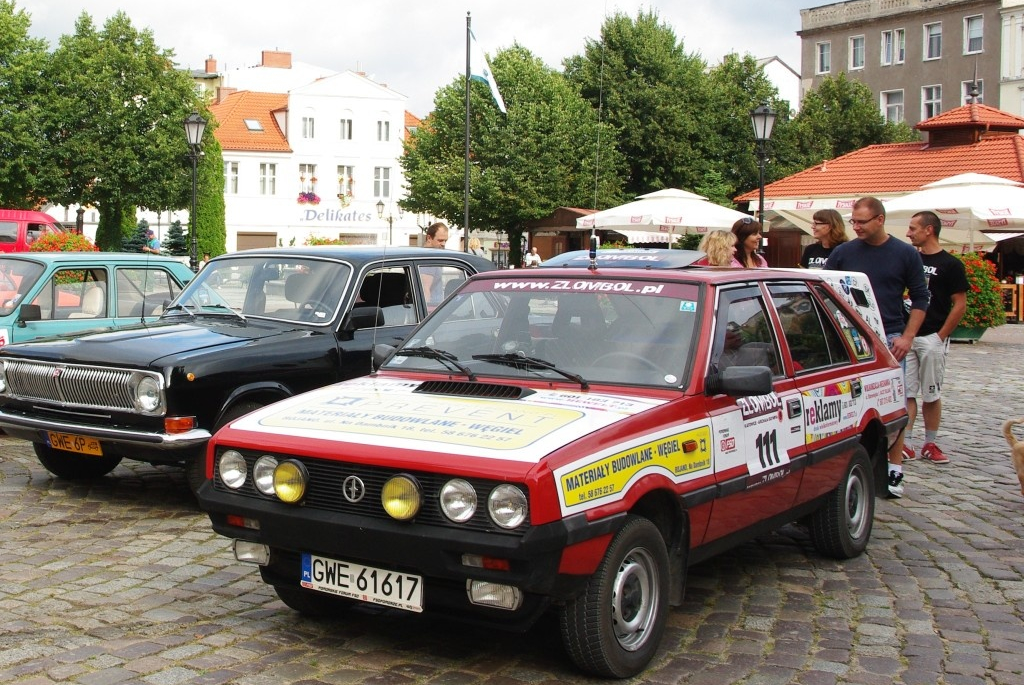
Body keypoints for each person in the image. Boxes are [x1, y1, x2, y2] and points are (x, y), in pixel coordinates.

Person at [825, 197, 930, 498]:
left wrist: (908, 337)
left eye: (862, 222)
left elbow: (921, 299)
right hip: (846, 337)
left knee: (893, 404)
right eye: (853, 221)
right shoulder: (843, 253)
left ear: (880, 220)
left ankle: (894, 468)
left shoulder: (905, 253)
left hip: (890, 336)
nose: (855, 226)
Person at [903, 210, 968, 465]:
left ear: (928, 230)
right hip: (908, 335)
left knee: (930, 393)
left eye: (913, 228)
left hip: (932, 335)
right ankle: (906, 443)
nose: (908, 233)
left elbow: (960, 304)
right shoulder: (910, 260)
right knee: (907, 392)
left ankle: (930, 442)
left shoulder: (951, 264)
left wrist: (941, 336)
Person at [422, 222, 449, 305]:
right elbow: (425, 289)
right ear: (429, 238)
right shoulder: (430, 258)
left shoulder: (428, 255)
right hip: (433, 309)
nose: (443, 244)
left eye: (445, 240)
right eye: (440, 240)